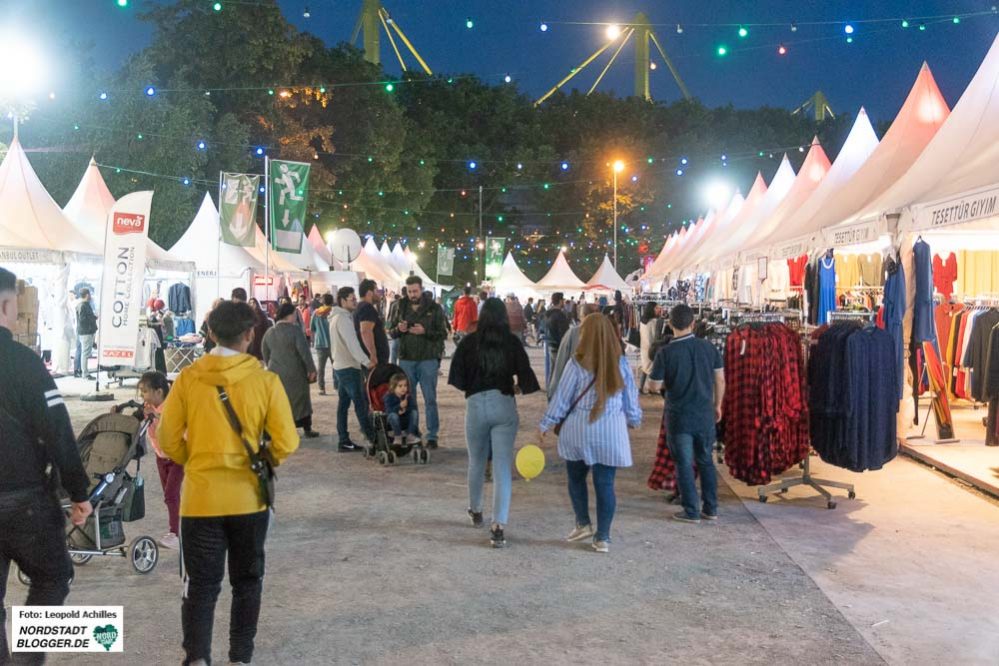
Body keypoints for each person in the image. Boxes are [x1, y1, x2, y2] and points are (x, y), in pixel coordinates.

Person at [158, 300, 299, 666]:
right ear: (251, 335)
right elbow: (286, 441)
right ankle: (240, 657)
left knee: (201, 587)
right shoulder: (265, 381)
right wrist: (262, 460)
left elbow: (167, 438)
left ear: (209, 333)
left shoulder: (188, 378)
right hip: (249, 499)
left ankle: (198, 658)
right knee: (247, 582)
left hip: (201, 501)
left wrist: (199, 460)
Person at [0, 267, 92, 664]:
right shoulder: (23, 362)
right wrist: (79, 492)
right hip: (23, 498)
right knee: (54, 576)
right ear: (5, 304)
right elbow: (57, 431)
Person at [540, 314, 641, 554]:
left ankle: (582, 523)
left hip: (578, 432)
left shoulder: (577, 363)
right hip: (611, 432)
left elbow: (562, 399)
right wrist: (634, 418)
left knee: (576, 479)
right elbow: (631, 398)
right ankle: (603, 537)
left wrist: (546, 423)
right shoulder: (621, 363)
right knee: (605, 484)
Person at [449, 298, 540, 548]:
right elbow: (528, 378)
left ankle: (476, 511)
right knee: (501, 467)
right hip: (503, 404)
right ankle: (498, 526)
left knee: (476, 461)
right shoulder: (511, 342)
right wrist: (516, 388)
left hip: (476, 405)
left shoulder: (468, 342)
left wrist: (475, 387)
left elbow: (457, 379)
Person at [648, 304, 725, 523]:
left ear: (670, 324)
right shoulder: (709, 348)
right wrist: (717, 404)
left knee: (683, 463)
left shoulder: (666, 352)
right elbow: (720, 379)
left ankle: (691, 510)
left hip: (679, 416)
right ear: (693, 323)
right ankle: (711, 509)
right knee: (706, 461)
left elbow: (654, 386)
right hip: (705, 415)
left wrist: (668, 384)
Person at [388, 276, 447, 449]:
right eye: (409, 291)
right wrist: (399, 329)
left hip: (428, 359)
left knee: (430, 399)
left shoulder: (434, 308)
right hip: (406, 359)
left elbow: (442, 333)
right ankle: (412, 433)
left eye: (415, 291)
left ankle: (432, 435)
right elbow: (391, 332)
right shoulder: (399, 306)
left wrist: (425, 331)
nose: (412, 294)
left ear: (421, 289)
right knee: (407, 399)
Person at [262, 303, 319, 438]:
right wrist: (311, 369)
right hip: (295, 373)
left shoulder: (270, 332)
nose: (295, 317)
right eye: (294, 314)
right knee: (300, 401)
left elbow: (265, 352)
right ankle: (306, 428)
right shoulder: (295, 331)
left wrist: (270, 365)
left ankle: (269, 430)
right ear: (289, 315)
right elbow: (304, 352)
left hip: (275, 373)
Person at [330, 287, 377, 451]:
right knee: (361, 404)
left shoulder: (336, 318)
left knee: (343, 405)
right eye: (352, 299)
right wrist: (367, 361)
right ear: (343, 301)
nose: (355, 302)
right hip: (349, 368)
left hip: (341, 366)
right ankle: (372, 438)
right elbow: (353, 345)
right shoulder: (343, 319)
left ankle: (343, 439)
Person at [548, 303, 599, 400]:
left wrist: (553, 391)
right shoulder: (607, 334)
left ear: (582, 316)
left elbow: (561, 363)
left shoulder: (573, 333)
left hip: (576, 390)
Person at [355, 279, 389, 368]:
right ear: (370, 292)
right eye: (377, 291)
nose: (379, 294)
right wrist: (373, 355)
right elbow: (366, 331)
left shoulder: (360, 307)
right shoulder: (367, 308)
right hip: (374, 361)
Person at [384, 373, 421, 444]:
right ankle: (398, 436)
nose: (403, 388)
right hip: (392, 422)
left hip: (405, 420)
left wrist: (405, 409)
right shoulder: (389, 397)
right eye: (400, 386)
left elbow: (413, 407)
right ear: (393, 387)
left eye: (405, 385)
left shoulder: (408, 396)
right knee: (393, 415)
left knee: (414, 412)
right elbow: (388, 410)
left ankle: (410, 435)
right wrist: (399, 407)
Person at [544, 292, 571, 387]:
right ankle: (554, 392)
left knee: (552, 370)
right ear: (560, 301)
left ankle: (550, 389)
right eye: (562, 300)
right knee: (559, 371)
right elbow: (564, 334)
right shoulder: (560, 316)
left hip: (551, 345)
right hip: (558, 347)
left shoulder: (548, 314)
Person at [311, 293, 334, 395]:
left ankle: (322, 388)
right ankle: (337, 385)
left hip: (320, 343)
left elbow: (312, 328)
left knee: (321, 368)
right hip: (334, 343)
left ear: (322, 301)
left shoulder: (316, 313)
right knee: (337, 366)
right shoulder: (333, 312)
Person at [74, 287, 98, 379]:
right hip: (86, 332)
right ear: (87, 295)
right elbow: (83, 319)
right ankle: (85, 373)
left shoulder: (81, 305)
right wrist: (92, 318)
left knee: (83, 352)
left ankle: (83, 372)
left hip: (83, 331)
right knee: (85, 353)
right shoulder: (84, 305)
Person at [637, 302, 660, 394]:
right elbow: (656, 336)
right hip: (652, 348)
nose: (659, 309)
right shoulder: (654, 321)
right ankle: (652, 389)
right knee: (652, 369)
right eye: (656, 308)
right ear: (652, 309)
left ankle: (641, 387)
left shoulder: (642, 320)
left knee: (645, 368)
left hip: (644, 347)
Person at [386, 288, 405, 365]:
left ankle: (393, 372)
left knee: (393, 354)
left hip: (395, 332)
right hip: (405, 335)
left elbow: (389, 317)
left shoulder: (394, 303)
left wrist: (387, 327)